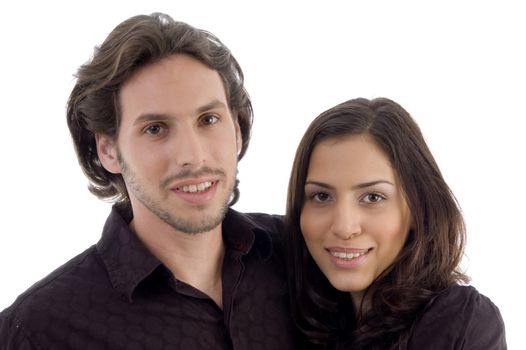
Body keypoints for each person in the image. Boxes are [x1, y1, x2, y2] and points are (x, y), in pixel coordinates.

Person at [0, 13, 296, 349]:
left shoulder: (303, 258)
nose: (193, 155)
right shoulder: (39, 330)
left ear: (237, 130)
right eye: (155, 128)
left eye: (208, 119)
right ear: (109, 150)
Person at [285, 97, 507, 349]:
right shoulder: (291, 314)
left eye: (372, 197)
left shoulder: (461, 323)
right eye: (321, 196)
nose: (345, 227)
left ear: (418, 208)